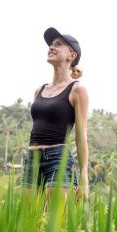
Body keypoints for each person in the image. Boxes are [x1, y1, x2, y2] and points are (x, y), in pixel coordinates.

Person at [21, 27, 89, 202]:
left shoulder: (77, 90)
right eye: (51, 44)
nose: (51, 47)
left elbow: (81, 136)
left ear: (71, 55)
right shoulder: (39, 90)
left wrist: (84, 177)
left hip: (57, 158)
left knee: (56, 222)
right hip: (31, 158)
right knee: (29, 222)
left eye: (58, 44)